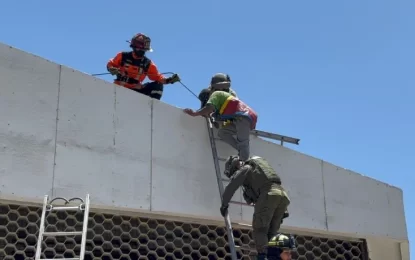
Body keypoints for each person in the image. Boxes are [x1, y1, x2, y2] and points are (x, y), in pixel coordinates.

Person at [219, 155, 291, 259]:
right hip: (283, 196)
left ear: (235, 167)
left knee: (260, 229)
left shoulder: (246, 168)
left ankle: (262, 256)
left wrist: (224, 204)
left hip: (268, 195)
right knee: (272, 233)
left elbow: (232, 185)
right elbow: (275, 190)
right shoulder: (258, 169)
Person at [184, 78, 257, 161]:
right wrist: (215, 120)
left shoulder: (216, 93)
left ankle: (245, 162)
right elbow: (223, 117)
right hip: (240, 119)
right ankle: (242, 152)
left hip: (243, 117)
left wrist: (195, 113)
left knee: (242, 143)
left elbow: (209, 108)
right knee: (223, 133)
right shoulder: (222, 102)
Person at [106, 33, 180, 100]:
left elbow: (158, 77)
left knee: (158, 86)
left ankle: (152, 108)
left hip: (135, 90)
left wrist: (170, 80)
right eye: (141, 49)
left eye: (144, 50)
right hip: (119, 88)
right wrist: (111, 69)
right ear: (134, 47)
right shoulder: (123, 56)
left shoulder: (147, 63)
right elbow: (111, 64)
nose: (143, 52)